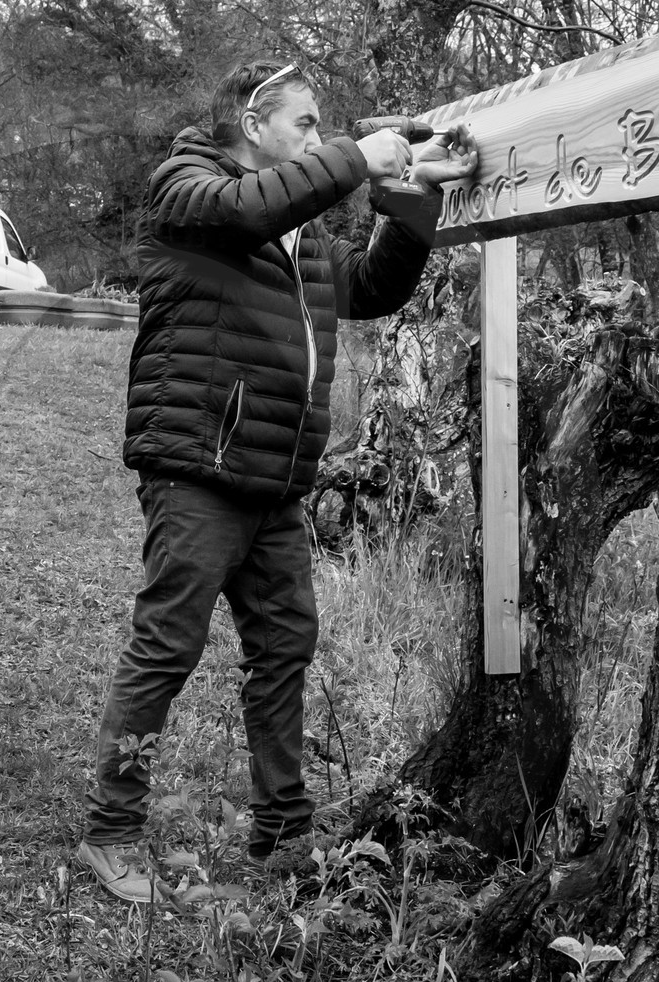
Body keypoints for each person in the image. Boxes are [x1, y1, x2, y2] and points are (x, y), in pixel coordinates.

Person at [78, 60, 479, 903]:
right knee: (168, 646)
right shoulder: (187, 190)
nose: (315, 135)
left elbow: (372, 287)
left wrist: (411, 196)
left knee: (285, 646)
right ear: (251, 122)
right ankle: (112, 832)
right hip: (198, 467)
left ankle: (284, 831)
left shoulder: (299, 240)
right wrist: (359, 154)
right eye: (304, 123)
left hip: (277, 479)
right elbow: (247, 208)